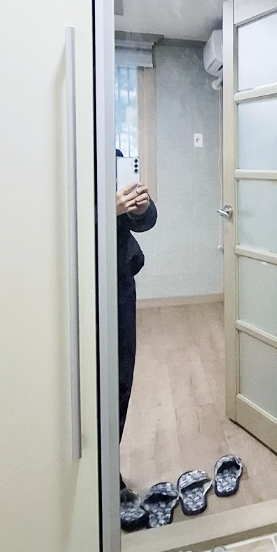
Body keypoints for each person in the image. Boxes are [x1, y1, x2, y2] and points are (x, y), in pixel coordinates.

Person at [117, 164, 157, 448]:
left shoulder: (113, 159)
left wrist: (141, 209)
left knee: (121, 378)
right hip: (83, 287)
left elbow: (147, 221)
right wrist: (108, 210)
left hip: (121, 285)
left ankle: (109, 461)